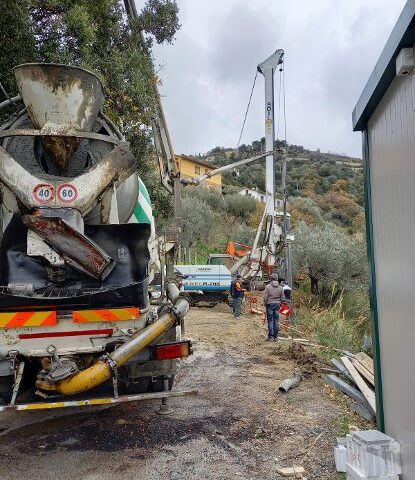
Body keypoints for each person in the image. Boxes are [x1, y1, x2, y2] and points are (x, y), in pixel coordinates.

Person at [263, 273, 286, 341]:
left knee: (270, 321)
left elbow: (265, 297)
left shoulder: (267, 287)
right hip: (277, 305)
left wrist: (265, 304)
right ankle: (276, 337)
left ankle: (271, 337)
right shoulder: (281, 287)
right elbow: (283, 298)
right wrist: (280, 303)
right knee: (276, 320)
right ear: (277, 279)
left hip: (269, 304)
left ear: (271, 279)